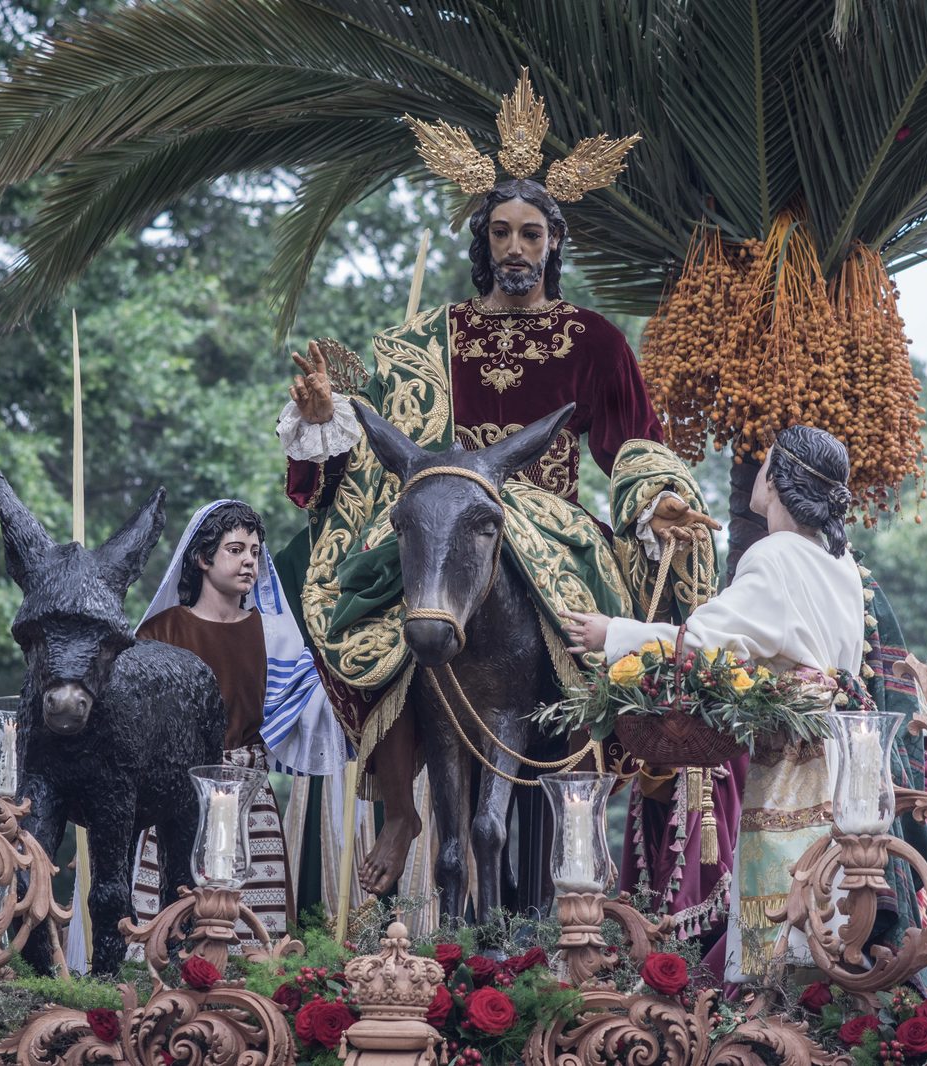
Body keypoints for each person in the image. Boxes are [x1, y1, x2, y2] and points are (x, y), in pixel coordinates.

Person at [275, 71, 719, 898]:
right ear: (483, 242)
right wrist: (318, 417)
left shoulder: (593, 341)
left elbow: (632, 445)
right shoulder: (420, 342)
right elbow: (350, 469)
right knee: (357, 586)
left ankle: (581, 737)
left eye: (532, 236)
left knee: (580, 609)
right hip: (442, 502)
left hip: (544, 520)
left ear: (555, 244)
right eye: (503, 234)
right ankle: (401, 801)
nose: (517, 249)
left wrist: (656, 500)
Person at [564, 425, 867, 981]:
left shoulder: (773, 555)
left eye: (766, 458)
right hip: (842, 756)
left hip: (791, 760)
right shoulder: (842, 562)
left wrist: (614, 633)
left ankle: (768, 1017)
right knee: (832, 902)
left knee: (780, 914)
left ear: (775, 479)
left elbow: (702, 643)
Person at [131, 499, 344, 943]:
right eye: (235, 549)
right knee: (168, 928)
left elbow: (310, 705)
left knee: (252, 936)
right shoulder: (162, 632)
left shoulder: (274, 634)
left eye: (255, 550)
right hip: (177, 797)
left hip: (249, 796)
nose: (250, 559)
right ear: (202, 558)